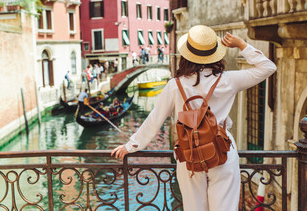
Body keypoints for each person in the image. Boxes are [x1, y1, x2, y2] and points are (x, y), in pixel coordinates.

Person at [111, 25, 277, 211]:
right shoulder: (228, 80)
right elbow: (268, 67)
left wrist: (131, 145)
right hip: (222, 150)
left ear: (187, 55)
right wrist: (241, 44)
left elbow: (155, 119)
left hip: (188, 152)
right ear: (215, 54)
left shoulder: (175, 85)